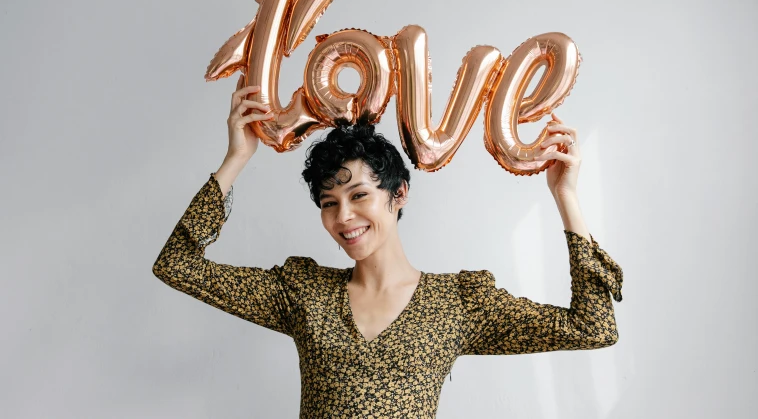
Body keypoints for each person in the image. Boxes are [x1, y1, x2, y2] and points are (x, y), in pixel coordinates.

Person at [152, 74, 623, 418]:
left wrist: (566, 197)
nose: (344, 218)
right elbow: (176, 265)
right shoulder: (303, 294)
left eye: (359, 196)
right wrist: (236, 158)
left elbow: (593, 327)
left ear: (398, 195)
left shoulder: (457, 305)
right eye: (328, 203)